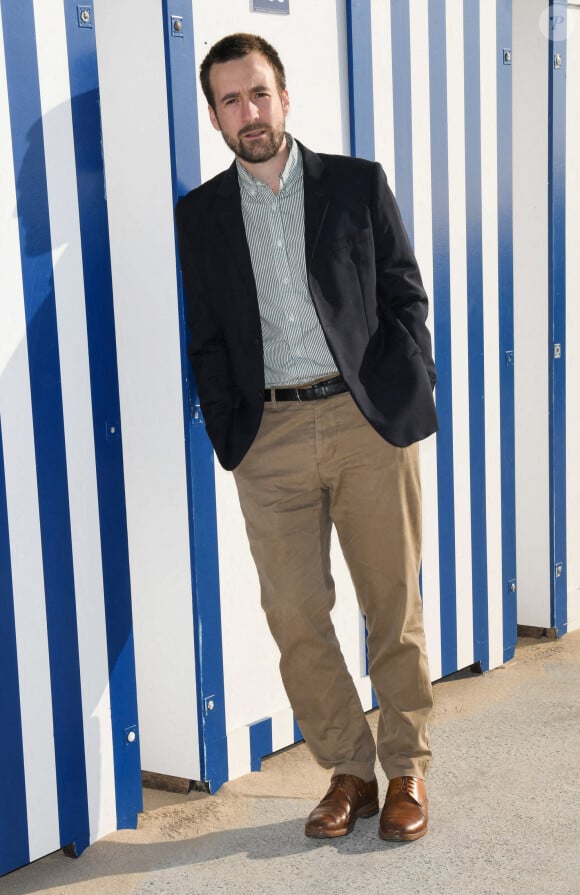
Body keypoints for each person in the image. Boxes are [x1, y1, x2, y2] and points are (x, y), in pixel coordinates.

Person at [175, 32, 438, 842]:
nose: (247, 112)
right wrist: (234, 436)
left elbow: (403, 293)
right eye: (229, 100)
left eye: (258, 93)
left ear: (284, 97)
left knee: (391, 605)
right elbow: (208, 338)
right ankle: (350, 771)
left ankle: (406, 769)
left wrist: (404, 387)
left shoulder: (355, 186)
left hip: (366, 424)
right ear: (215, 117)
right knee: (295, 613)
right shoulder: (201, 216)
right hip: (271, 436)